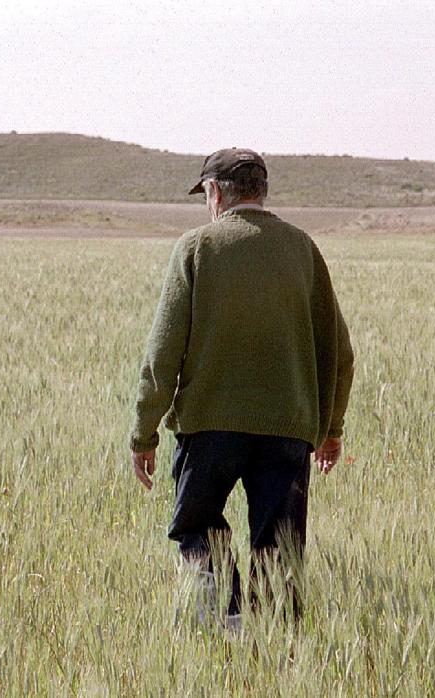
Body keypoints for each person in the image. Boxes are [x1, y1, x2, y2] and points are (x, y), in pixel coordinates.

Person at [128, 147, 355, 628]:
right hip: (288, 430)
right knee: (280, 545)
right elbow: (340, 353)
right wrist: (330, 429)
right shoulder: (303, 249)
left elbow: (160, 356)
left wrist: (143, 435)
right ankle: (275, 645)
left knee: (198, 527)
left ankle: (225, 625)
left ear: (213, 192)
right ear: (262, 191)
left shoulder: (196, 249)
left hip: (207, 426)